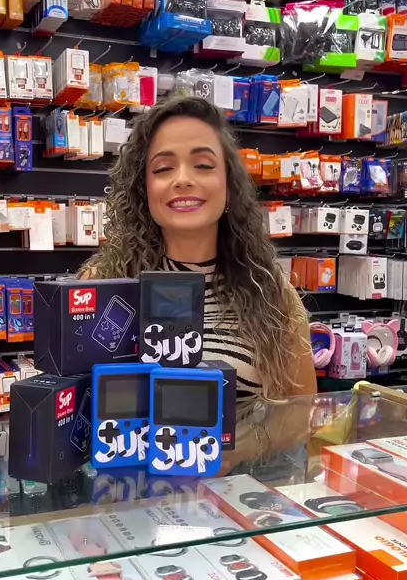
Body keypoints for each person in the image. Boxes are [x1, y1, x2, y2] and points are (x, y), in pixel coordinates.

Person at [79, 96, 317, 472]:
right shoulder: (103, 283)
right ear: (144, 189)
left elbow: (300, 411)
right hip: (124, 494)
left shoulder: (271, 293)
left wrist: (235, 450)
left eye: (203, 165)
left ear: (229, 186)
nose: (183, 179)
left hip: (227, 497)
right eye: (163, 168)